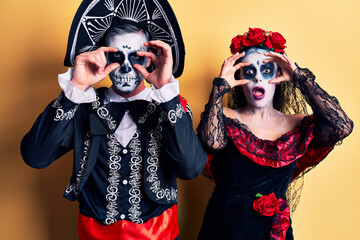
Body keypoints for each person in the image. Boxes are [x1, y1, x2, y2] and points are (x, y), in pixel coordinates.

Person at [21, 1, 206, 239]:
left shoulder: (171, 104)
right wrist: (75, 88)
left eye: (137, 57)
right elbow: (35, 156)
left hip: (159, 234)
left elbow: (191, 168)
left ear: (150, 60)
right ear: (103, 58)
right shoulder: (82, 105)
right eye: (117, 56)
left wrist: (166, 92)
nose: (126, 67)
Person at [196, 27, 353, 240]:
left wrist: (300, 77)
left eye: (266, 71)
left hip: (274, 231)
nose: (258, 80)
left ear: (279, 75)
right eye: (249, 72)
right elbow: (211, 143)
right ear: (238, 78)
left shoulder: (296, 123)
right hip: (224, 228)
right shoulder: (224, 116)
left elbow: (341, 126)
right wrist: (220, 87)